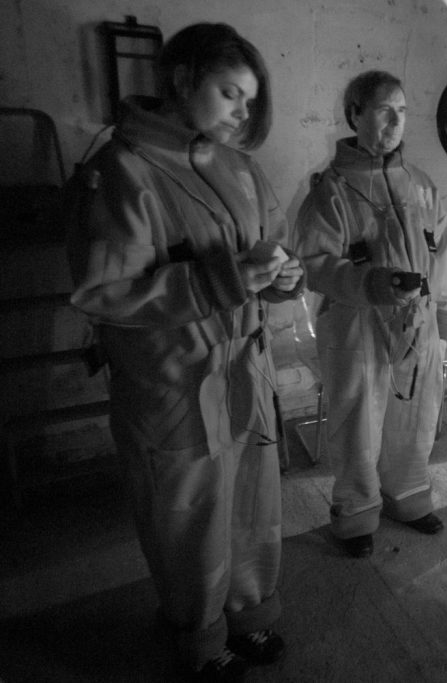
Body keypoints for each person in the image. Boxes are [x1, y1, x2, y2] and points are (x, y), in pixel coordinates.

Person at [64, 23, 303, 680]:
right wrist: (214, 282)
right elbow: (102, 290)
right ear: (181, 79)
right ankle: (199, 637)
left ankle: (249, 612)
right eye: (231, 93)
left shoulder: (238, 168)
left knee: (253, 500)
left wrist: (282, 275)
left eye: (250, 101)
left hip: (243, 368)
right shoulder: (123, 171)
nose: (242, 113)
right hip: (172, 381)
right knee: (188, 516)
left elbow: (273, 247)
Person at [293, 70, 447, 559]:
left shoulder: (421, 185)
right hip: (356, 322)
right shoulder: (332, 190)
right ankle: (357, 513)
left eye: (402, 110)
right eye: (383, 109)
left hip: (418, 321)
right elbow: (315, 265)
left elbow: (443, 253)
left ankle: (407, 495)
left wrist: (441, 317)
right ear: (354, 114)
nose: (394, 120)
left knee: (417, 414)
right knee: (358, 419)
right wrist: (368, 284)